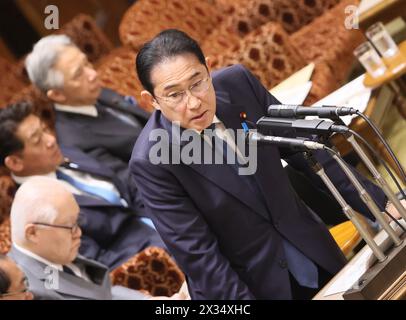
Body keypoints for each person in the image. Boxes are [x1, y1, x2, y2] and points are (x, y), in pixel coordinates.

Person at [129, 29, 405, 300]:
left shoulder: (239, 84)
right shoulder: (153, 162)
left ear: (208, 68)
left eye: (197, 82)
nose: (193, 102)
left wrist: (382, 204)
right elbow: (201, 257)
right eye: (174, 95)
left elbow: (308, 152)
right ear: (151, 100)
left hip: (313, 250)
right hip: (251, 285)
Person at [0, 102, 166, 269]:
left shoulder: (65, 152)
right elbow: (99, 262)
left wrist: (166, 210)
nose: (50, 139)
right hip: (145, 251)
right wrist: (160, 243)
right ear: (15, 163)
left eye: (45, 129)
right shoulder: (39, 211)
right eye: (37, 140)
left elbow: (126, 181)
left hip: (156, 214)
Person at [8, 177, 188, 300]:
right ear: (33, 233)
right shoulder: (26, 291)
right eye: (70, 226)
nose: (79, 232)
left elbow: (103, 292)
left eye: (78, 222)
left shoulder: (49, 253)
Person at [25, 34, 150, 188]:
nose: (92, 74)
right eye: (78, 74)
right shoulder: (76, 142)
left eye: (86, 63)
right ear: (57, 94)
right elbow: (135, 185)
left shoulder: (94, 93)